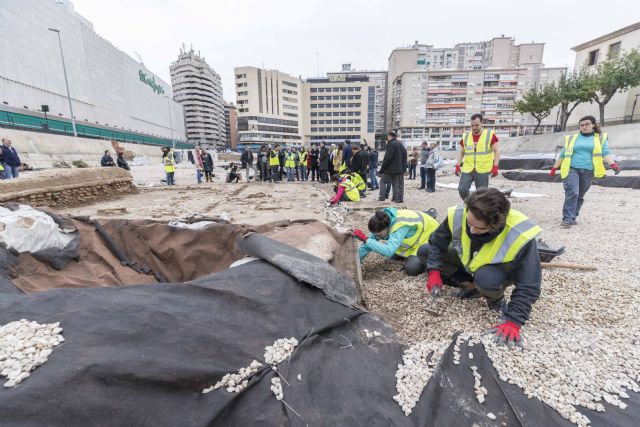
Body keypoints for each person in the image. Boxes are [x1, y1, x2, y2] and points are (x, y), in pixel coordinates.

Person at [422, 188, 542, 347]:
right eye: (469, 223)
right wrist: (434, 272)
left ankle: (495, 299)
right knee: (425, 251)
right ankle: (470, 287)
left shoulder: (519, 234)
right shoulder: (459, 214)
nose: (472, 230)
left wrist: (513, 321)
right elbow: (436, 243)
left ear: (497, 224)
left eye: (480, 229)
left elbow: (529, 284)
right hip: (470, 261)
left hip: (497, 271)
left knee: (486, 279)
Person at [550, 115, 620, 227]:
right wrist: (554, 168)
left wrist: (613, 164)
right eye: (582, 125)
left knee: (580, 195)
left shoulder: (600, 139)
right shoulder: (572, 138)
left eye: (587, 124)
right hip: (571, 169)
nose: (584, 127)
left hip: (588, 171)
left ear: (593, 125)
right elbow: (563, 154)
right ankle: (567, 218)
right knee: (573, 192)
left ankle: (573, 216)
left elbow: (605, 153)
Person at [353, 208, 439, 276]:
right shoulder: (383, 220)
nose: (377, 237)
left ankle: (428, 260)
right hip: (415, 241)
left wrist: (365, 239)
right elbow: (368, 244)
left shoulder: (400, 226)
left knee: (412, 269)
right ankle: (407, 256)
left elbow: (388, 251)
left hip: (427, 238)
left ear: (387, 228)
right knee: (393, 257)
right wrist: (354, 261)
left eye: (379, 235)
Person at [455, 113, 500, 200]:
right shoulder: (466, 136)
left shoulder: (489, 135)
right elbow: (461, 152)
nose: (474, 127)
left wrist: (495, 166)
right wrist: (457, 165)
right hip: (468, 168)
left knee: (482, 195)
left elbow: (497, 151)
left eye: (476, 125)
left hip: (482, 169)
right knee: (462, 189)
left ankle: (480, 210)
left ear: (482, 123)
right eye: (472, 125)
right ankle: (470, 205)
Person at [378, 131, 406, 203]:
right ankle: (397, 198)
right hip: (399, 169)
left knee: (382, 181)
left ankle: (382, 197)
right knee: (396, 184)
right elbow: (404, 157)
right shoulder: (400, 144)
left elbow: (388, 157)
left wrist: (382, 168)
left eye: (388, 136)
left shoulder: (391, 144)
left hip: (390, 169)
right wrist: (403, 168)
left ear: (390, 136)